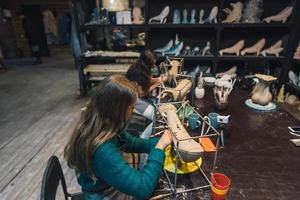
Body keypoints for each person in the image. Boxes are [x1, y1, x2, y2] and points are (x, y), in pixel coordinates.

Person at [64, 75, 172, 200]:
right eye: (132, 107)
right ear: (117, 110)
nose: (133, 111)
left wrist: (157, 142)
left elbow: (131, 142)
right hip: (105, 195)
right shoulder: (102, 150)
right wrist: (159, 149)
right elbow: (143, 188)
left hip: (108, 186)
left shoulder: (103, 124)